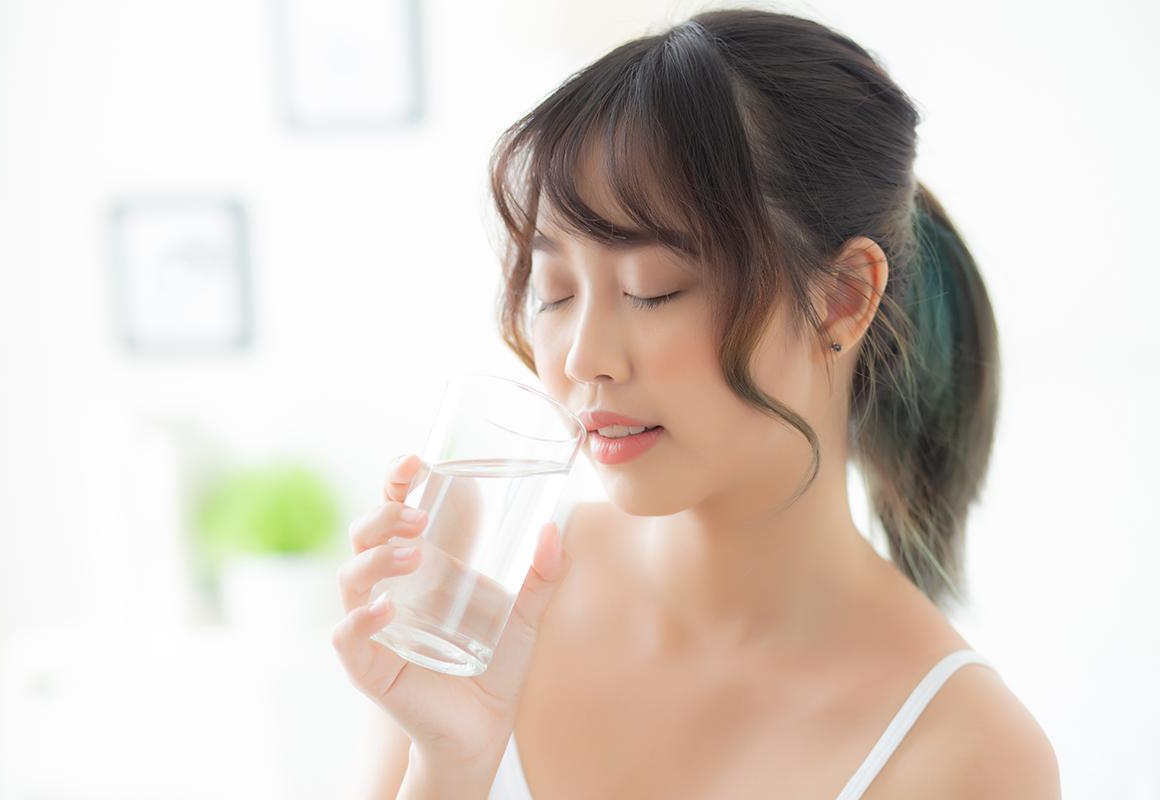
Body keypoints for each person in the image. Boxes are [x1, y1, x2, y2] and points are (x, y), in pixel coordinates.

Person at [332, 7, 1060, 798]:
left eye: (653, 291)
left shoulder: (969, 757)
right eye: (555, 292)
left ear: (843, 297)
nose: (583, 358)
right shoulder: (477, 610)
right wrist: (448, 767)